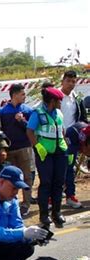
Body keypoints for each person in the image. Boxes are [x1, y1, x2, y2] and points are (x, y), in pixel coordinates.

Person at [26, 87, 67, 228]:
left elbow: (62, 129)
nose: (61, 103)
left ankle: (57, 212)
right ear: (52, 101)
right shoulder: (38, 113)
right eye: (59, 101)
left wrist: (66, 145)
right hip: (45, 153)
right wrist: (37, 146)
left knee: (59, 182)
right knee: (46, 183)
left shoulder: (59, 113)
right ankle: (44, 215)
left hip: (60, 152)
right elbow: (30, 131)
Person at [0, 84, 34, 217]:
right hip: (9, 150)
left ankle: (26, 204)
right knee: (9, 179)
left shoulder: (28, 110)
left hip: (24, 148)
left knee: (27, 176)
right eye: (22, 94)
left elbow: (32, 129)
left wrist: (22, 121)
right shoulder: (3, 112)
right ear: (14, 95)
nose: (24, 97)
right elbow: (0, 130)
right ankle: (10, 203)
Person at [60, 70, 89, 208]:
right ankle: (52, 198)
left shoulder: (76, 99)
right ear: (62, 81)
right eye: (68, 81)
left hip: (72, 139)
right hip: (57, 139)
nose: (71, 84)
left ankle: (70, 196)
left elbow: (83, 119)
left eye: (73, 81)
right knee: (57, 169)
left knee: (70, 168)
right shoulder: (55, 98)